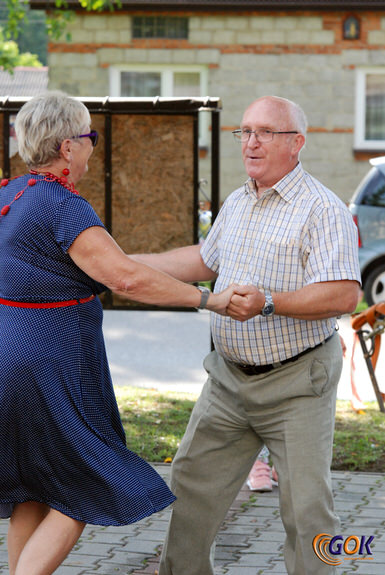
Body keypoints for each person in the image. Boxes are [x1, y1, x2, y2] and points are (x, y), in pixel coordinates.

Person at [0, 91, 236, 575]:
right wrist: (208, 299)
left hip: (10, 358)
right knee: (87, 479)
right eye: (90, 138)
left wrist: (198, 261)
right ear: (68, 148)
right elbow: (126, 279)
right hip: (54, 368)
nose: (91, 147)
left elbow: (112, 267)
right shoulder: (64, 206)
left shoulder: (10, 196)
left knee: (33, 485)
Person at [131, 96, 361, 575]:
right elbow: (205, 261)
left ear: (296, 144)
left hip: (297, 383)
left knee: (308, 514)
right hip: (228, 382)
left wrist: (269, 301)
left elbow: (342, 295)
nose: (250, 142)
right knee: (191, 489)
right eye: (245, 132)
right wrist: (126, 265)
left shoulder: (323, 209)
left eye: (265, 132)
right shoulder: (239, 200)